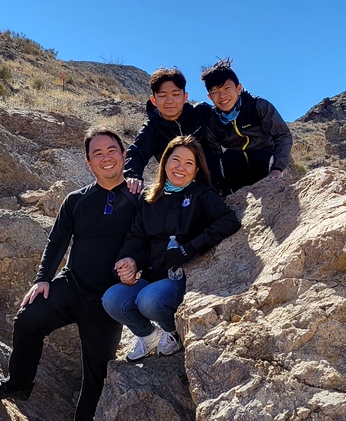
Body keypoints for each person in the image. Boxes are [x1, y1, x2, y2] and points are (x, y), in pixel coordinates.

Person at [0, 127, 138, 421]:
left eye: (111, 150)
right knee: (28, 318)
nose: (106, 157)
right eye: (97, 153)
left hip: (109, 299)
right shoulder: (76, 200)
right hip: (72, 285)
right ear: (88, 163)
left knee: (96, 375)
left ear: (123, 155)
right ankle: (19, 384)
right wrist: (42, 279)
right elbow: (56, 242)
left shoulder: (138, 198)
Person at [102, 135, 241, 359]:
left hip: (181, 278)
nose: (180, 167)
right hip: (151, 274)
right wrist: (129, 260)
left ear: (196, 170)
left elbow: (228, 221)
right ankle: (148, 336)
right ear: (165, 161)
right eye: (175, 160)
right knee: (112, 299)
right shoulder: (149, 197)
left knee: (149, 300)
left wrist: (189, 249)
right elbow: (136, 236)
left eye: (189, 163)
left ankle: (173, 332)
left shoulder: (202, 195)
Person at [201, 58, 294, 195]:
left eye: (227, 88)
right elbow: (214, 155)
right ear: (210, 97)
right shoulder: (213, 120)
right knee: (227, 160)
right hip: (235, 168)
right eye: (215, 92)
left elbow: (283, 135)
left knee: (263, 158)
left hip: (264, 162)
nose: (222, 96)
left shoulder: (258, 106)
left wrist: (277, 168)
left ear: (239, 89)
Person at [123, 67, 218, 194]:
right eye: (162, 95)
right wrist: (132, 176)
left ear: (185, 97)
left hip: (216, 187)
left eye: (175, 94)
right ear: (153, 100)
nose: (169, 101)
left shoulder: (202, 113)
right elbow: (136, 153)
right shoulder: (151, 129)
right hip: (177, 191)